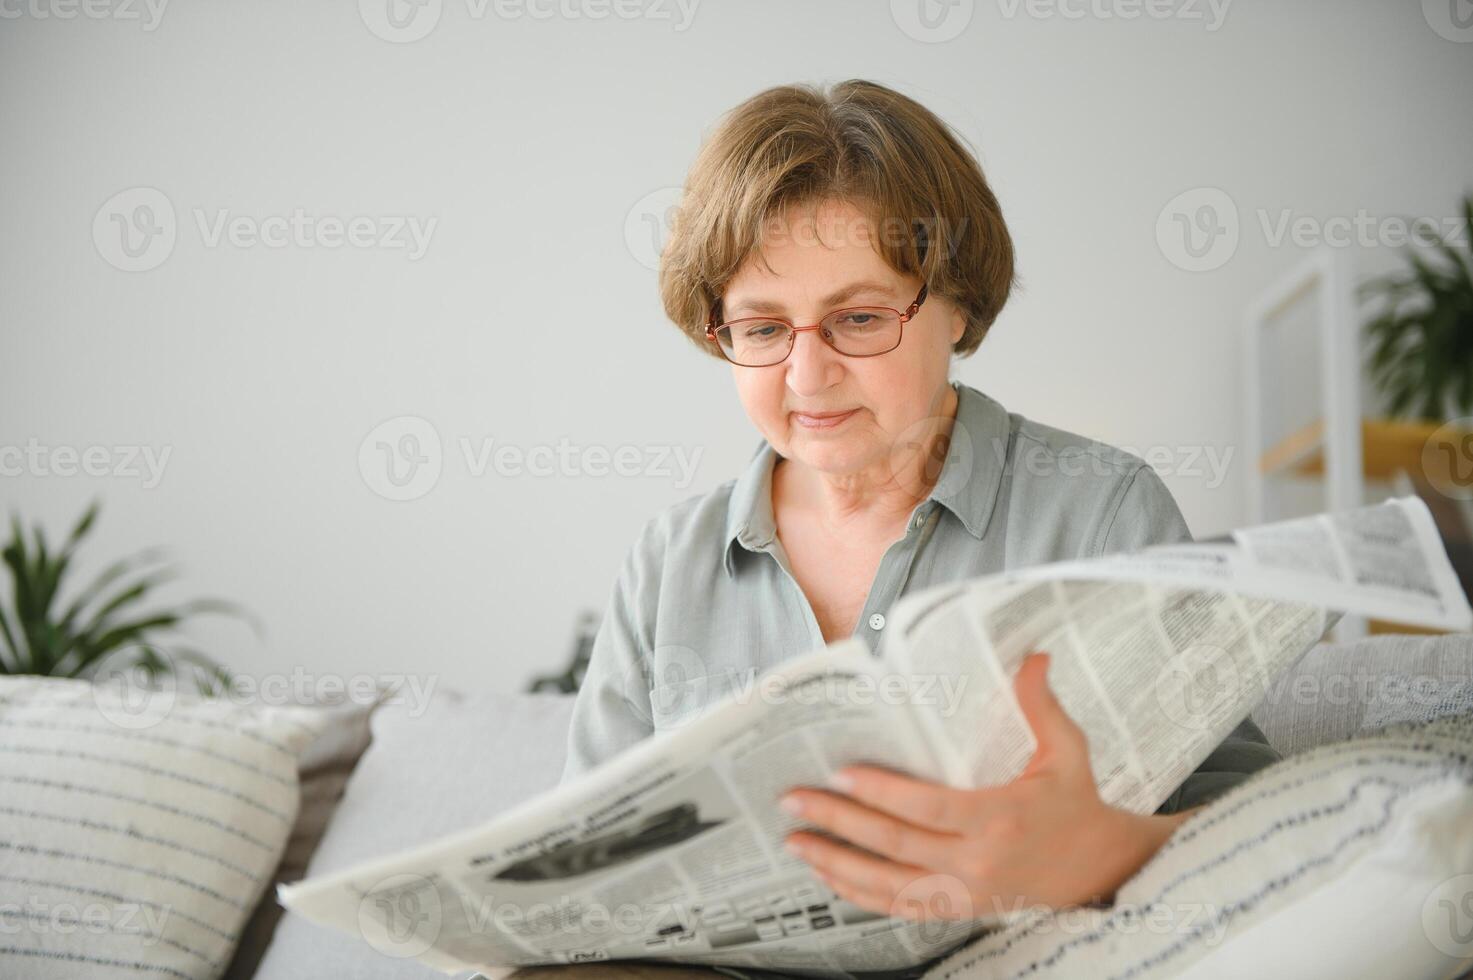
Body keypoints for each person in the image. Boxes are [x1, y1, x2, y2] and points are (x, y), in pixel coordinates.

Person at [561, 79, 1279, 929]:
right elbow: (585, 867)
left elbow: (1271, 824)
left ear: (958, 308)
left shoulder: (1098, 511)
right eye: (760, 329)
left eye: (858, 318)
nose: (806, 375)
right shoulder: (666, 561)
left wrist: (1109, 851)